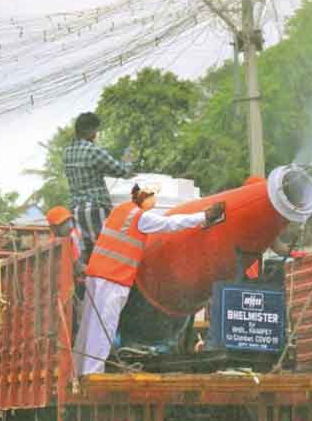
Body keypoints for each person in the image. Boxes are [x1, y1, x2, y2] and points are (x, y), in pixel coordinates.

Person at [72, 182, 225, 375]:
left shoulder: (120, 210)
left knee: (89, 327)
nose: (155, 201)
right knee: (105, 330)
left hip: (97, 276)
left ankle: (78, 371)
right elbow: (171, 224)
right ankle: (93, 374)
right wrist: (204, 216)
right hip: (114, 279)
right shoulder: (140, 217)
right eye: (153, 197)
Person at [63, 112, 134, 266]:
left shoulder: (67, 152)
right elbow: (121, 171)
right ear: (89, 131)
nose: (96, 134)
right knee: (105, 254)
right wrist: (128, 161)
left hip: (76, 211)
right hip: (96, 209)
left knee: (87, 256)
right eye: (95, 130)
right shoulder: (93, 151)